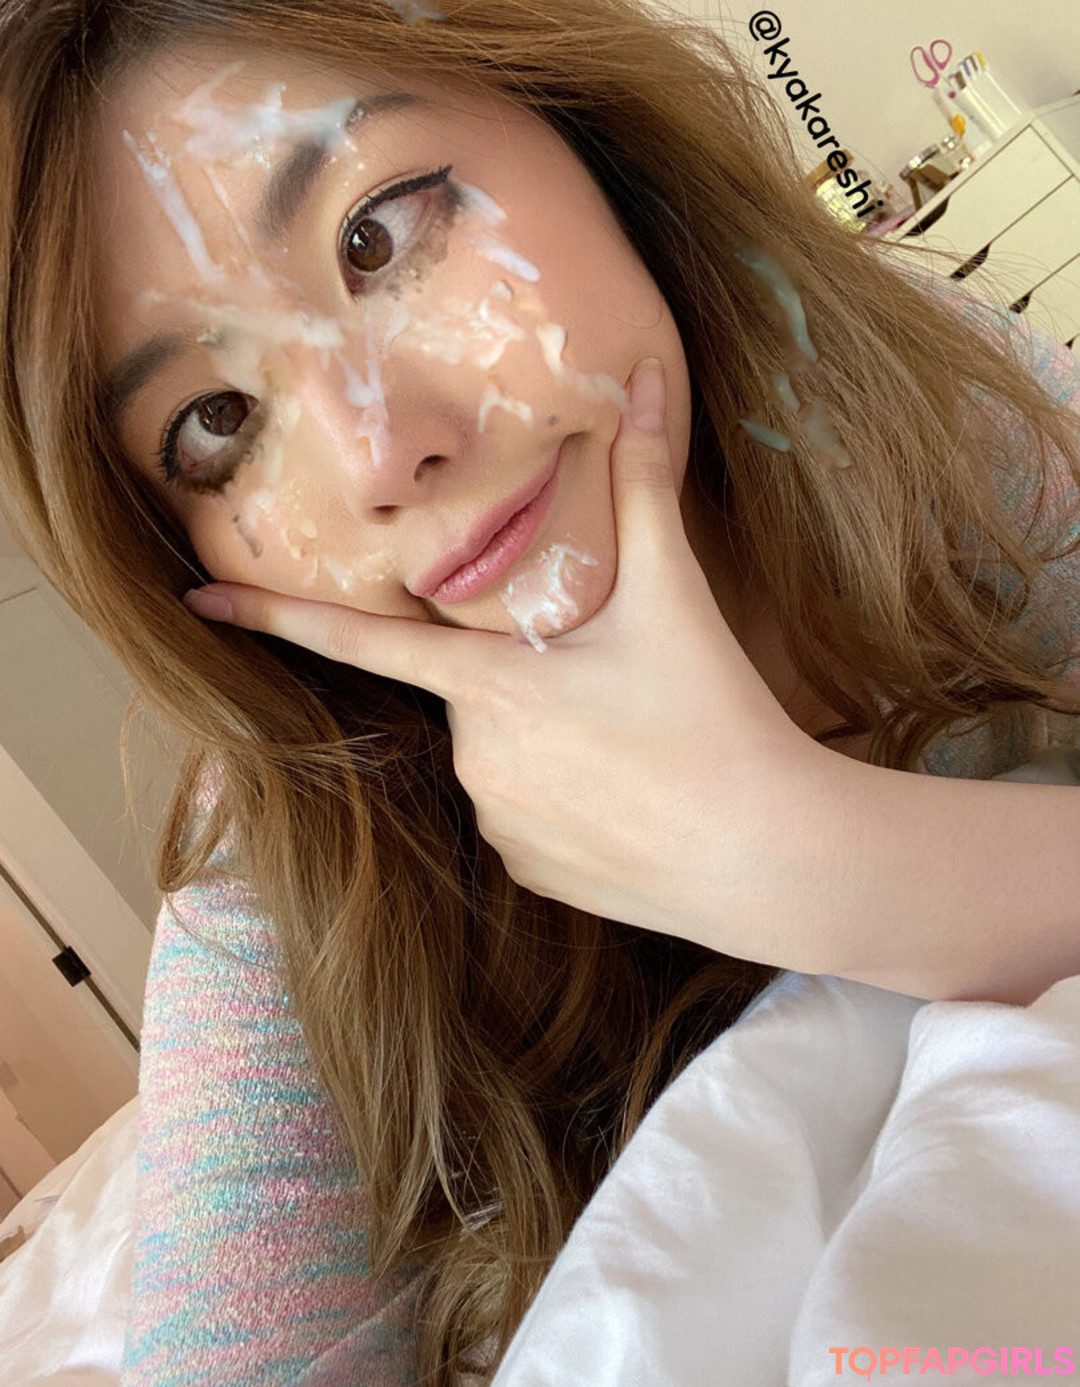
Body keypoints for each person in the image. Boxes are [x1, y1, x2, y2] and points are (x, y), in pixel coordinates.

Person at [0, 0, 1078, 1381]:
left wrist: (812, 861)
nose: (379, 453)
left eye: (375, 238)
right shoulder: (287, 842)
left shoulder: (912, 403)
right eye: (219, 423)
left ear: (572, 116)